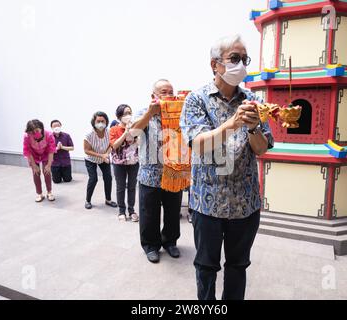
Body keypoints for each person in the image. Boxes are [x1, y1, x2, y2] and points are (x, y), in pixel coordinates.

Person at [180, 35, 274, 300]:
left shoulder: (253, 101)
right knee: (206, 267)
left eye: (245, 59)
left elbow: (261, 148)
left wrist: (253, 126)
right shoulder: (196, 99)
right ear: (215, 64)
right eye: (235, 58)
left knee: (238, 266)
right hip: (208, 202)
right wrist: (231, 124)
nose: (241, 65)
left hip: (245, 202)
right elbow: (197, 144)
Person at [132, 79, 182, 263]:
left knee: (172, 210)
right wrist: (149, 113)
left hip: (173, 172)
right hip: (149, 174)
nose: (168, 95)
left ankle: (170, 241)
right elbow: (132, 132)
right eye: (163, 92)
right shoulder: (144, 112)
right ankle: (150, 246)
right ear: (154, 95)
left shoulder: (178, 113)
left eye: (171, 91)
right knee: (149, 212)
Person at [109, 104, 139, 222]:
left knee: (132, 187)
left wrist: (133, 132)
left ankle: (131, 210)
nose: (128, 116)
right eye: (125, 113)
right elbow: (115, 145)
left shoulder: (135, 127)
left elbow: (139, 143)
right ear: (119, 116)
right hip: (119, 163)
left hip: (134, 162)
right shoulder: (114, 129)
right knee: (120, 187)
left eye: (130, 113)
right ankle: (121, 211)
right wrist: (125, 132)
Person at [83, 111, 118, 210]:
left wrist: (106, 154)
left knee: (108, 178)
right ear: (94, 122)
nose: (101, 123)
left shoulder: (109, 132)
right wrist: (101, 155)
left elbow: (111, 145)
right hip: (91, 159)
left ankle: (108, 200)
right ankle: (88, 200)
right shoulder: (89, 134)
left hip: (104, 158)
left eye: (103, 121)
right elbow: (86, 150)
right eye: (98, 121)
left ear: (106, 122)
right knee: (93, 178)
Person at [23, 119, 57, 202]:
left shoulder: (48, 135)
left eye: (37, 131)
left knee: (47, 172)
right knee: (36, 173)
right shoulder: (27, 136)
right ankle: (39, 194)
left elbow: (51, 150)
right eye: (32, 132)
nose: (34, 133)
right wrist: (34, 166)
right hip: (33, 155)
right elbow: (27, 151)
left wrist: (49, 165)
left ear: (41, 128)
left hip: (45, 154)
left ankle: (49, 192)